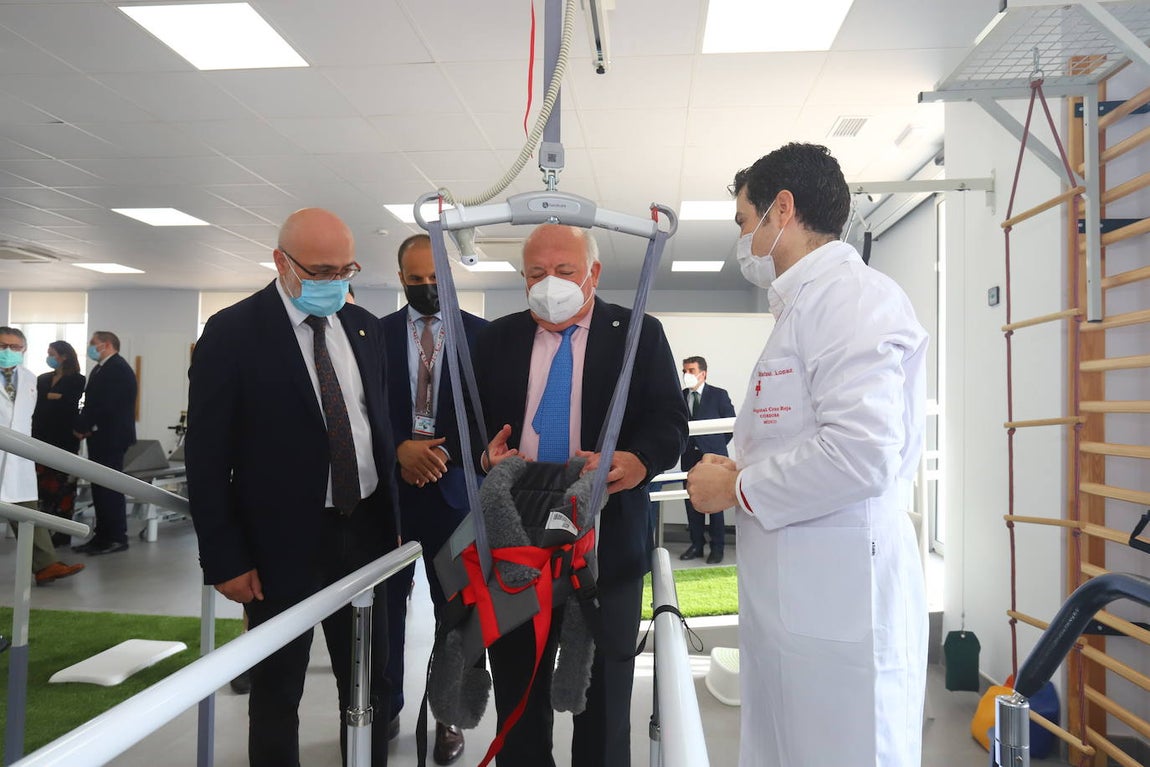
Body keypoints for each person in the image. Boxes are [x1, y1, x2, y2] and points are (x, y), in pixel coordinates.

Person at [685, 143, 928, 767]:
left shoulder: (852, 300)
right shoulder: (805, 306)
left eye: (745, 221)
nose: (743, 240)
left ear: (782, 210)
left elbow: (862, 453)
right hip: (801, 602)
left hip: (842, 606)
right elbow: (801, 437)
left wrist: (737, 488)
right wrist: (740, 469)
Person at [185, 207, 401, 767]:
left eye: (345, 271)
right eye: (321, 271)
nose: (335, 283)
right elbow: (206, 458)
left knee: (371, 682)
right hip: (280, 545)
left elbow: (373, 425)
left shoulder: (364, 327)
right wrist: (225, 558)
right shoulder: (233, 333)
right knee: (278, 690)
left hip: (366, 532)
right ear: (281, 262)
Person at [476, 224, 687, 767]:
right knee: (519, 690)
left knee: (604, 696)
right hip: (518, 540)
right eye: (536, 273)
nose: (550, 284)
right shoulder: (497, 339)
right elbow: (466, 423)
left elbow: (669, 421)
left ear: (593, 272)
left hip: (606, 539)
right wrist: (484, 456)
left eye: (565, 271)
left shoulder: (638, 333)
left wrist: (638, 461)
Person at [380, 233, 485, 764]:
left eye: (434, 278)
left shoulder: (483, 338)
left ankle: (451, 716)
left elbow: (494, 419)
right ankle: (384, 707)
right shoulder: (372, 336)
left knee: (459, 616)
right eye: (415, 279)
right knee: (384, 612)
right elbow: (360, 414)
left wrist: (445, 457)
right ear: (401, 278)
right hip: (390, 499)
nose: (426, 287)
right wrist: (398, 449)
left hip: (456, 496)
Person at [0, 327, 85, 585]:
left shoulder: (29, 378)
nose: (8, 351)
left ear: (24, 349)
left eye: (15, 347)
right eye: (3, 346)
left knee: (28, 511)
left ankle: (46, 565)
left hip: (19, 456)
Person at [72, 330, 137, 556]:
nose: (90, 347)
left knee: (110, 487)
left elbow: (106, 406)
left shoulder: (117, 368)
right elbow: (92, 403)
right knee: (99, 488)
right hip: (100, 436)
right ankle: (102, 536)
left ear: (107, 344)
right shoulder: (101, 368)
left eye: (93, 343)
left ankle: (116, 537)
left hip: (112, 437)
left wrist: (84, 427)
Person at [677, 356, 735, 564]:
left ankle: (717, 548)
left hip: (714, 458)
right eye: (684, 371)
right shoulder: (679, 396)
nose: (687, 375)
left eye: (691, 370)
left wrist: (713, 446)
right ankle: (697, 545)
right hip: (689, 457)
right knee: (692, 502)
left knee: (716, 504)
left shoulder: (719, 395)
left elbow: (730, 426)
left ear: (703, 373)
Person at [32, 340, 86, 546]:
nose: (49, 357)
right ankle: (43, 530)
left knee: (64, 485)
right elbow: (37, 401)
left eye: (52, 353)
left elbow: (69, 402)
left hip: (65, 438)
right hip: (41, 436)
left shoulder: (77, 379)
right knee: (43, 485)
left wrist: (52, 398)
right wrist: (52, 397)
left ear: (64, 356)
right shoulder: (43, 378)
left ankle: (63, 532)